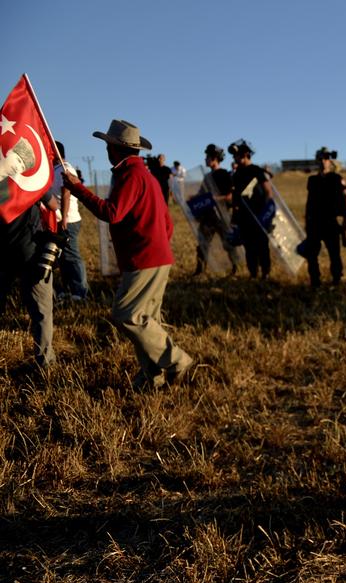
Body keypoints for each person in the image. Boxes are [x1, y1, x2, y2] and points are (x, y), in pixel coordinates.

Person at [62, 120, 194, 389]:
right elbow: (167, 223)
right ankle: (152, 378)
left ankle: (177, 360)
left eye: (109, 144)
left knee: (126, 314)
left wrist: (77, 187)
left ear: (115, 148)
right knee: (147, 320)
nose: (106, 149)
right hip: (157, 257)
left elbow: (112, 212)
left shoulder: (130, 176)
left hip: (144, 259)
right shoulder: (144, 175)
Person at [0, 193, 57, 370]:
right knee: (42, 312)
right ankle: (46, 362)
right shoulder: (30, 180)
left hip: (3, 253)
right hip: (31, 252)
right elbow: (54, 205)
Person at [302, 147, 346, 288]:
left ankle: (336, 280)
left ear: (330, 161)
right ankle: (315, 281)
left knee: (334, 253)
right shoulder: (312, 180)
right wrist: (306, 220)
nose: (323, 161)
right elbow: (309, 201)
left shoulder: (336, 178)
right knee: (312, 254)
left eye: (326, 159)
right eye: (321, 159)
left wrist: (345, 219)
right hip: (314, 222)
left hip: (330, 221)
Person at [193, 143, 242, 275]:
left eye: (207, 157)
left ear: (214, 158)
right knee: (202, 244)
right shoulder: (207, 177)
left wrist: (215, 199)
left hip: (221, 217)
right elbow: (201, 193)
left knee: (228, 243)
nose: (205, 159)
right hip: (207, 217)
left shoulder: (224, 174)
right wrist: (193, 198)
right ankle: (200, 270)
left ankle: (235, 268)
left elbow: (230, 196)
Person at [229, 139, 275, 279]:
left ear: (246, 154)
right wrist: (235, 216)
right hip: (244, 217)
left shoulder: (256, 170)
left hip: (259, 216)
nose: (234, 158)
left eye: (237, 155)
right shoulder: (236, 174)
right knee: (249, 247)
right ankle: (253, 274)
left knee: (262, 246)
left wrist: (266, 214)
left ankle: (265, 273)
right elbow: (235, 197)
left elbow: (268, 191)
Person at [51, 141, 88, 301]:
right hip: (60, 219)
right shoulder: (56, 169)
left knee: (72, 255)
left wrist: (64, 217)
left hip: (69, 220)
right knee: (63, 257)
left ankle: (81, 291)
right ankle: (69, 289)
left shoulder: (65, 169)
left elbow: (66, 193)